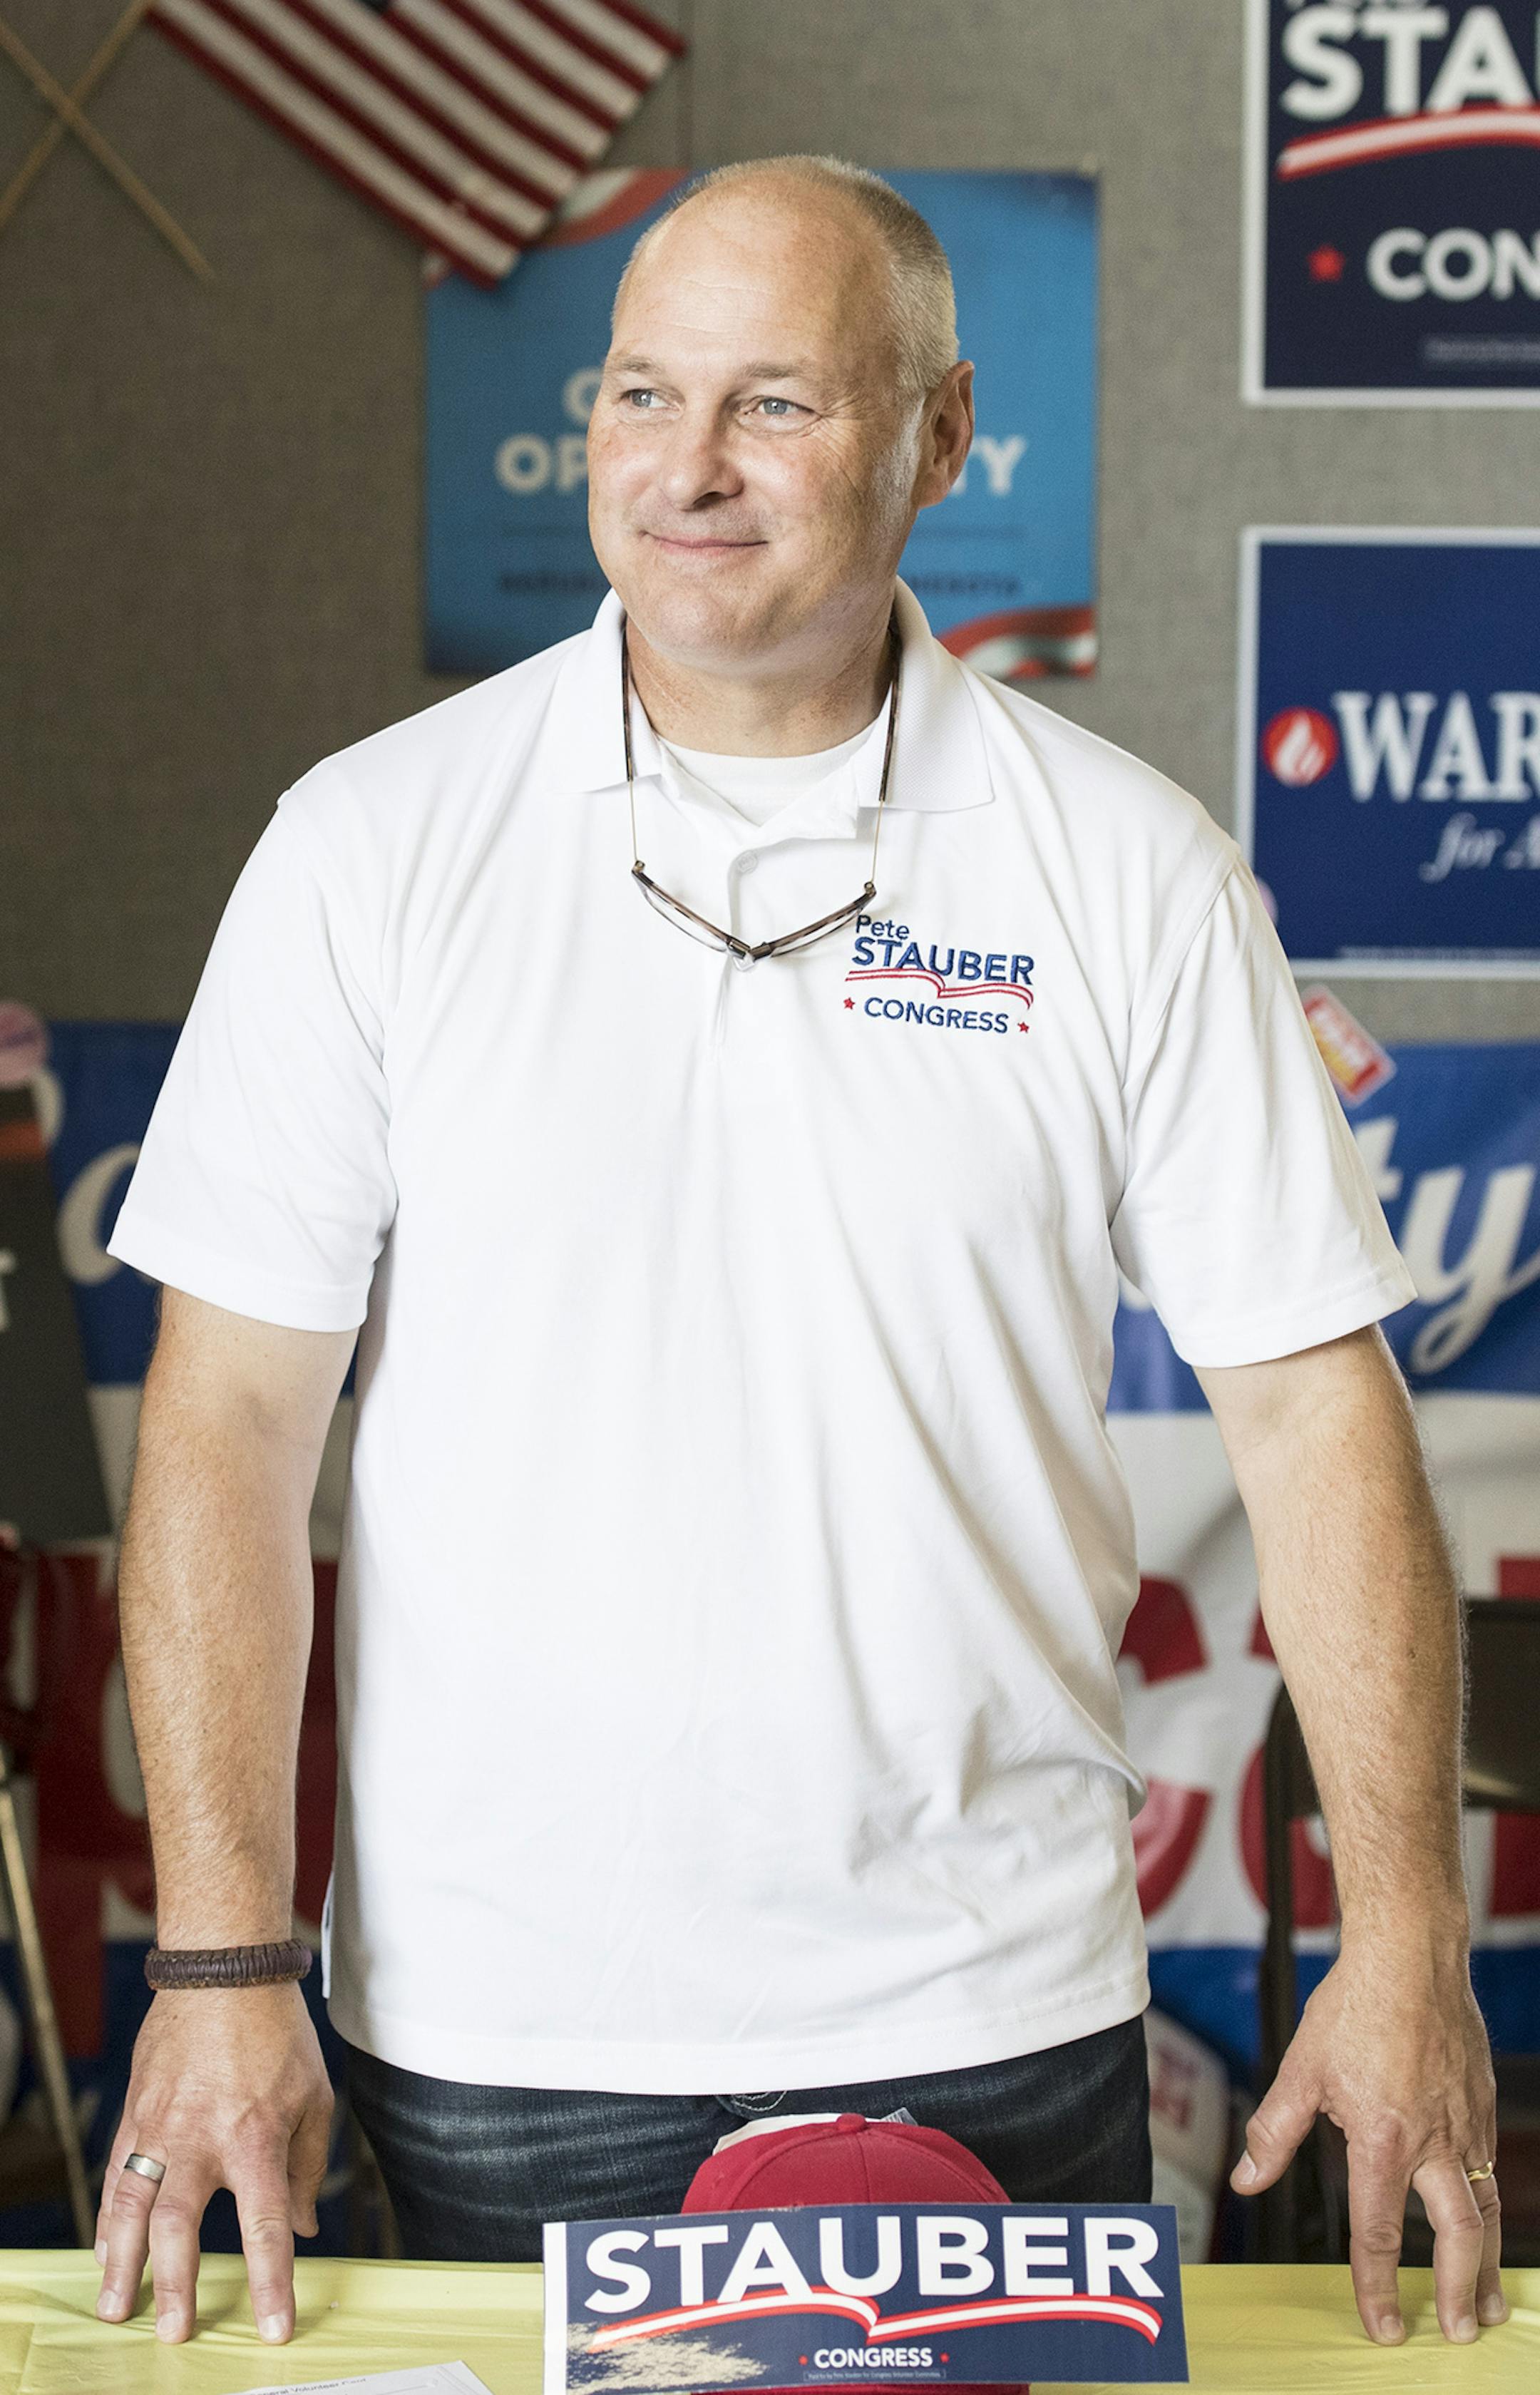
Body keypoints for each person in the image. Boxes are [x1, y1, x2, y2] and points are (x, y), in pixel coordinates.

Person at [98, 157, 1502, 2353]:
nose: (689, 468)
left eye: (776, 403)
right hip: (497, 2029)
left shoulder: (1127, 870)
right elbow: (227, 1429)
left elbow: (1319, 1420)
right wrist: (216, 1959)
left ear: (941, 436)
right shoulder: (369, 848)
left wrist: (1405, 1937)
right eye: (643, 394)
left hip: (997, 2010)